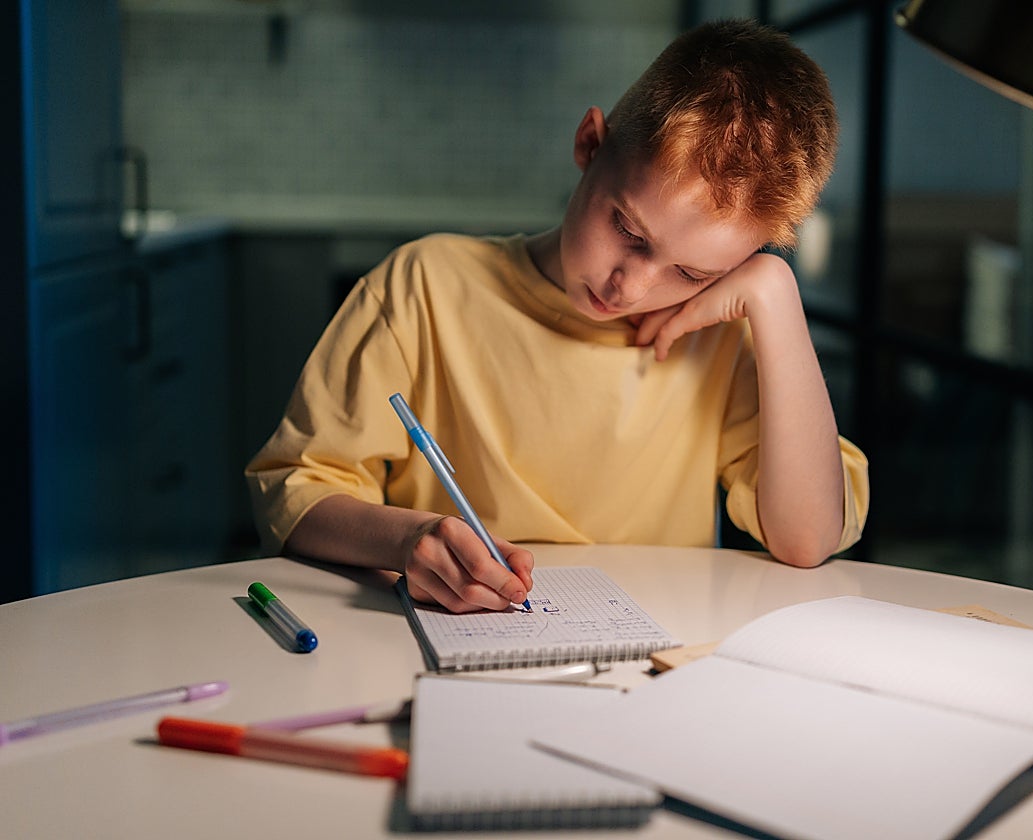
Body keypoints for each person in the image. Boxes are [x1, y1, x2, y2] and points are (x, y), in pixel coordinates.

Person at [245, 18, 869, 614]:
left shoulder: (722, 340)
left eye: (692, 274)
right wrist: (405, 541)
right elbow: (295, 489)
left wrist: (776, 295)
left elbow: (807, 538)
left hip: (648, 668)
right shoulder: (425, 288)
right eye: (627, 229)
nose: (633, 286)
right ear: (589, 144)